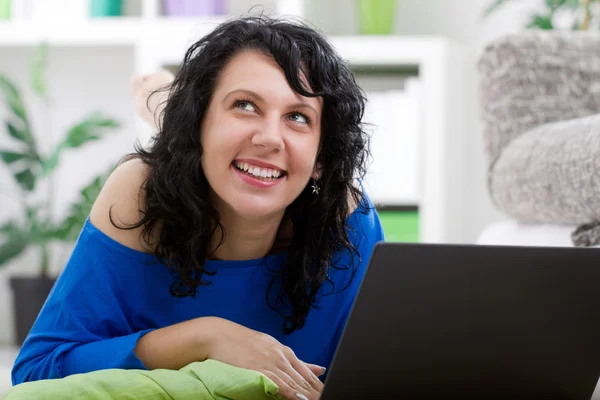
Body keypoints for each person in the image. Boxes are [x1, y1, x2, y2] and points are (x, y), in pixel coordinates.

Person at [11, 14, 384, 400]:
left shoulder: (346, 217)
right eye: (245, 105)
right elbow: (38, 373)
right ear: (198, 124)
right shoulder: (140, 193)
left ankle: (168, 97)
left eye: (297, 116)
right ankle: (162, 97)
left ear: (321, 157)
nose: (271, 137)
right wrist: (204, 338)